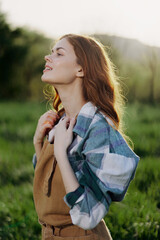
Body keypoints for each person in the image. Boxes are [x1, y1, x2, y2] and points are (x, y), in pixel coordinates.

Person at [32, 34, 140, 240]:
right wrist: (39, 142)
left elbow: (88, 214)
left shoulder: (97, 129)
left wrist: (61, 155)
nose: (48, 57)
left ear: (80, 69)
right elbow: (48, 187)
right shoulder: (60, 121)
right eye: (51, 52)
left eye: (59, 53)